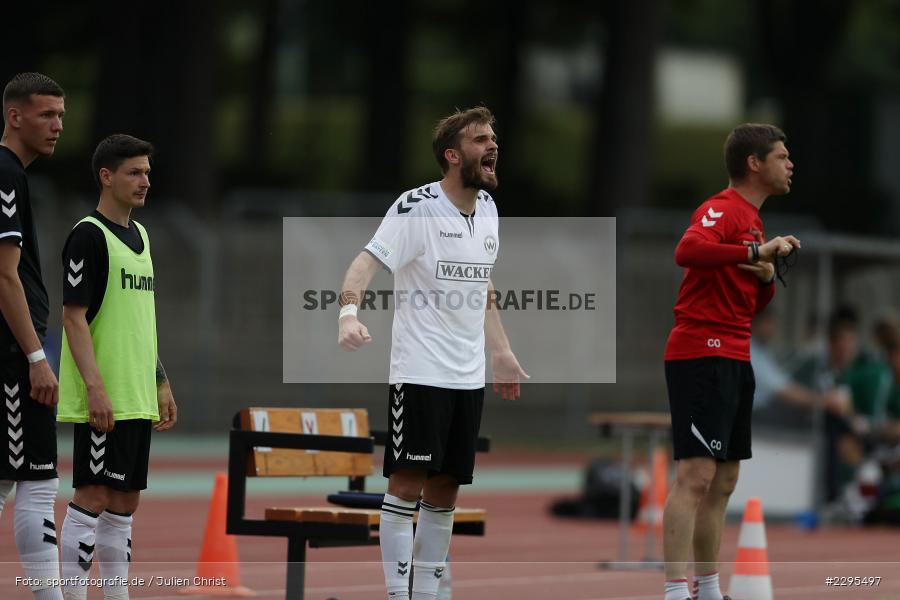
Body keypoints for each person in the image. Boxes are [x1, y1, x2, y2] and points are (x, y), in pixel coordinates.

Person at [337, 106, 528, 600]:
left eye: (494, 137)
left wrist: (501, 352)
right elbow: (365, 262)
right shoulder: (415, 207)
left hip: (467, 378)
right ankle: (397, 595)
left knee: (445, 492)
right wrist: (348, 314)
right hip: (420, 372)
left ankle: (425, 594)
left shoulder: (487, 210)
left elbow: (482, 286)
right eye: (480, 139)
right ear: (452, 154)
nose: (492, 146)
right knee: (406, 485)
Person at [661, 124, 800, 600]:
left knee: (724, 479)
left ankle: (709, 587)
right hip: (702, 351)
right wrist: (754, 251)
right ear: (754, 164)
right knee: (695, 475)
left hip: (736, 354)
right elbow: (688, 250)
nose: (790, 164)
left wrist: (763, 275)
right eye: (781, 156)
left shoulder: (755, 222)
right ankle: (677, 590)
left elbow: (751, 305)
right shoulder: (722, 208)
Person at [57, 134, 177, 600]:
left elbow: (138, 319)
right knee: (93, 497)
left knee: (125, 502)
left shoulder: (142, 235)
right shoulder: (88, 235)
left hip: (137, 394)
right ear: (107, 177)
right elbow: (73, 317)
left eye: (147, 171)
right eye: (135, 172)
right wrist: (95, 389)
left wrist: (160, 382)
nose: (146, 180)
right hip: (104, 393)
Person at [0, 72, 65, 600]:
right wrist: (36, 356)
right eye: (47, 115)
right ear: (14, 116)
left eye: (62, 116)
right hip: (12, 356)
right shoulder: (4, 172)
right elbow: (4, 277)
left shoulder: (14, 175)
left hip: (16, 352)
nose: (58, 126)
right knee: (36, 482)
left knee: (16, 479)